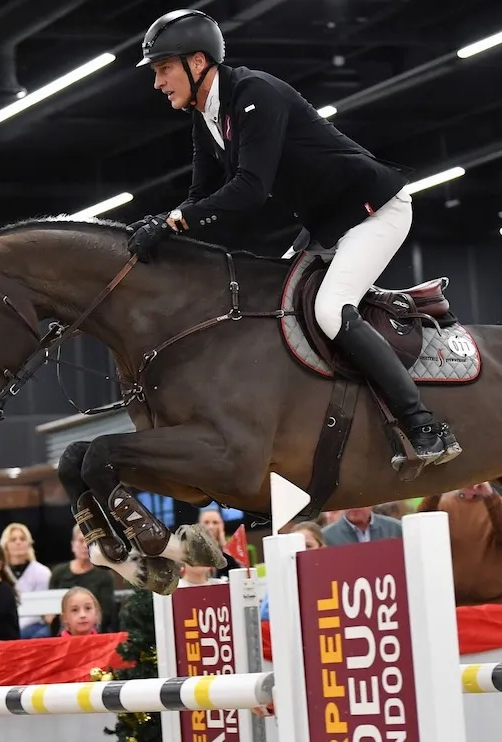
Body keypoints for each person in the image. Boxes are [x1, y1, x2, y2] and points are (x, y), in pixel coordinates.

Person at [125, 8, 460, 470]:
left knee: (328, 308)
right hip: (327, 223)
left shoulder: (253, 93)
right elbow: (202, 197)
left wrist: (175, 223)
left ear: (197, 62)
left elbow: (249, 189)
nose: (158, 82)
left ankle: (422, 423)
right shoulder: (206, 115)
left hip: (375, 210)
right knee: (273, 303)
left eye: (163, 69)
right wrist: (163, 223)